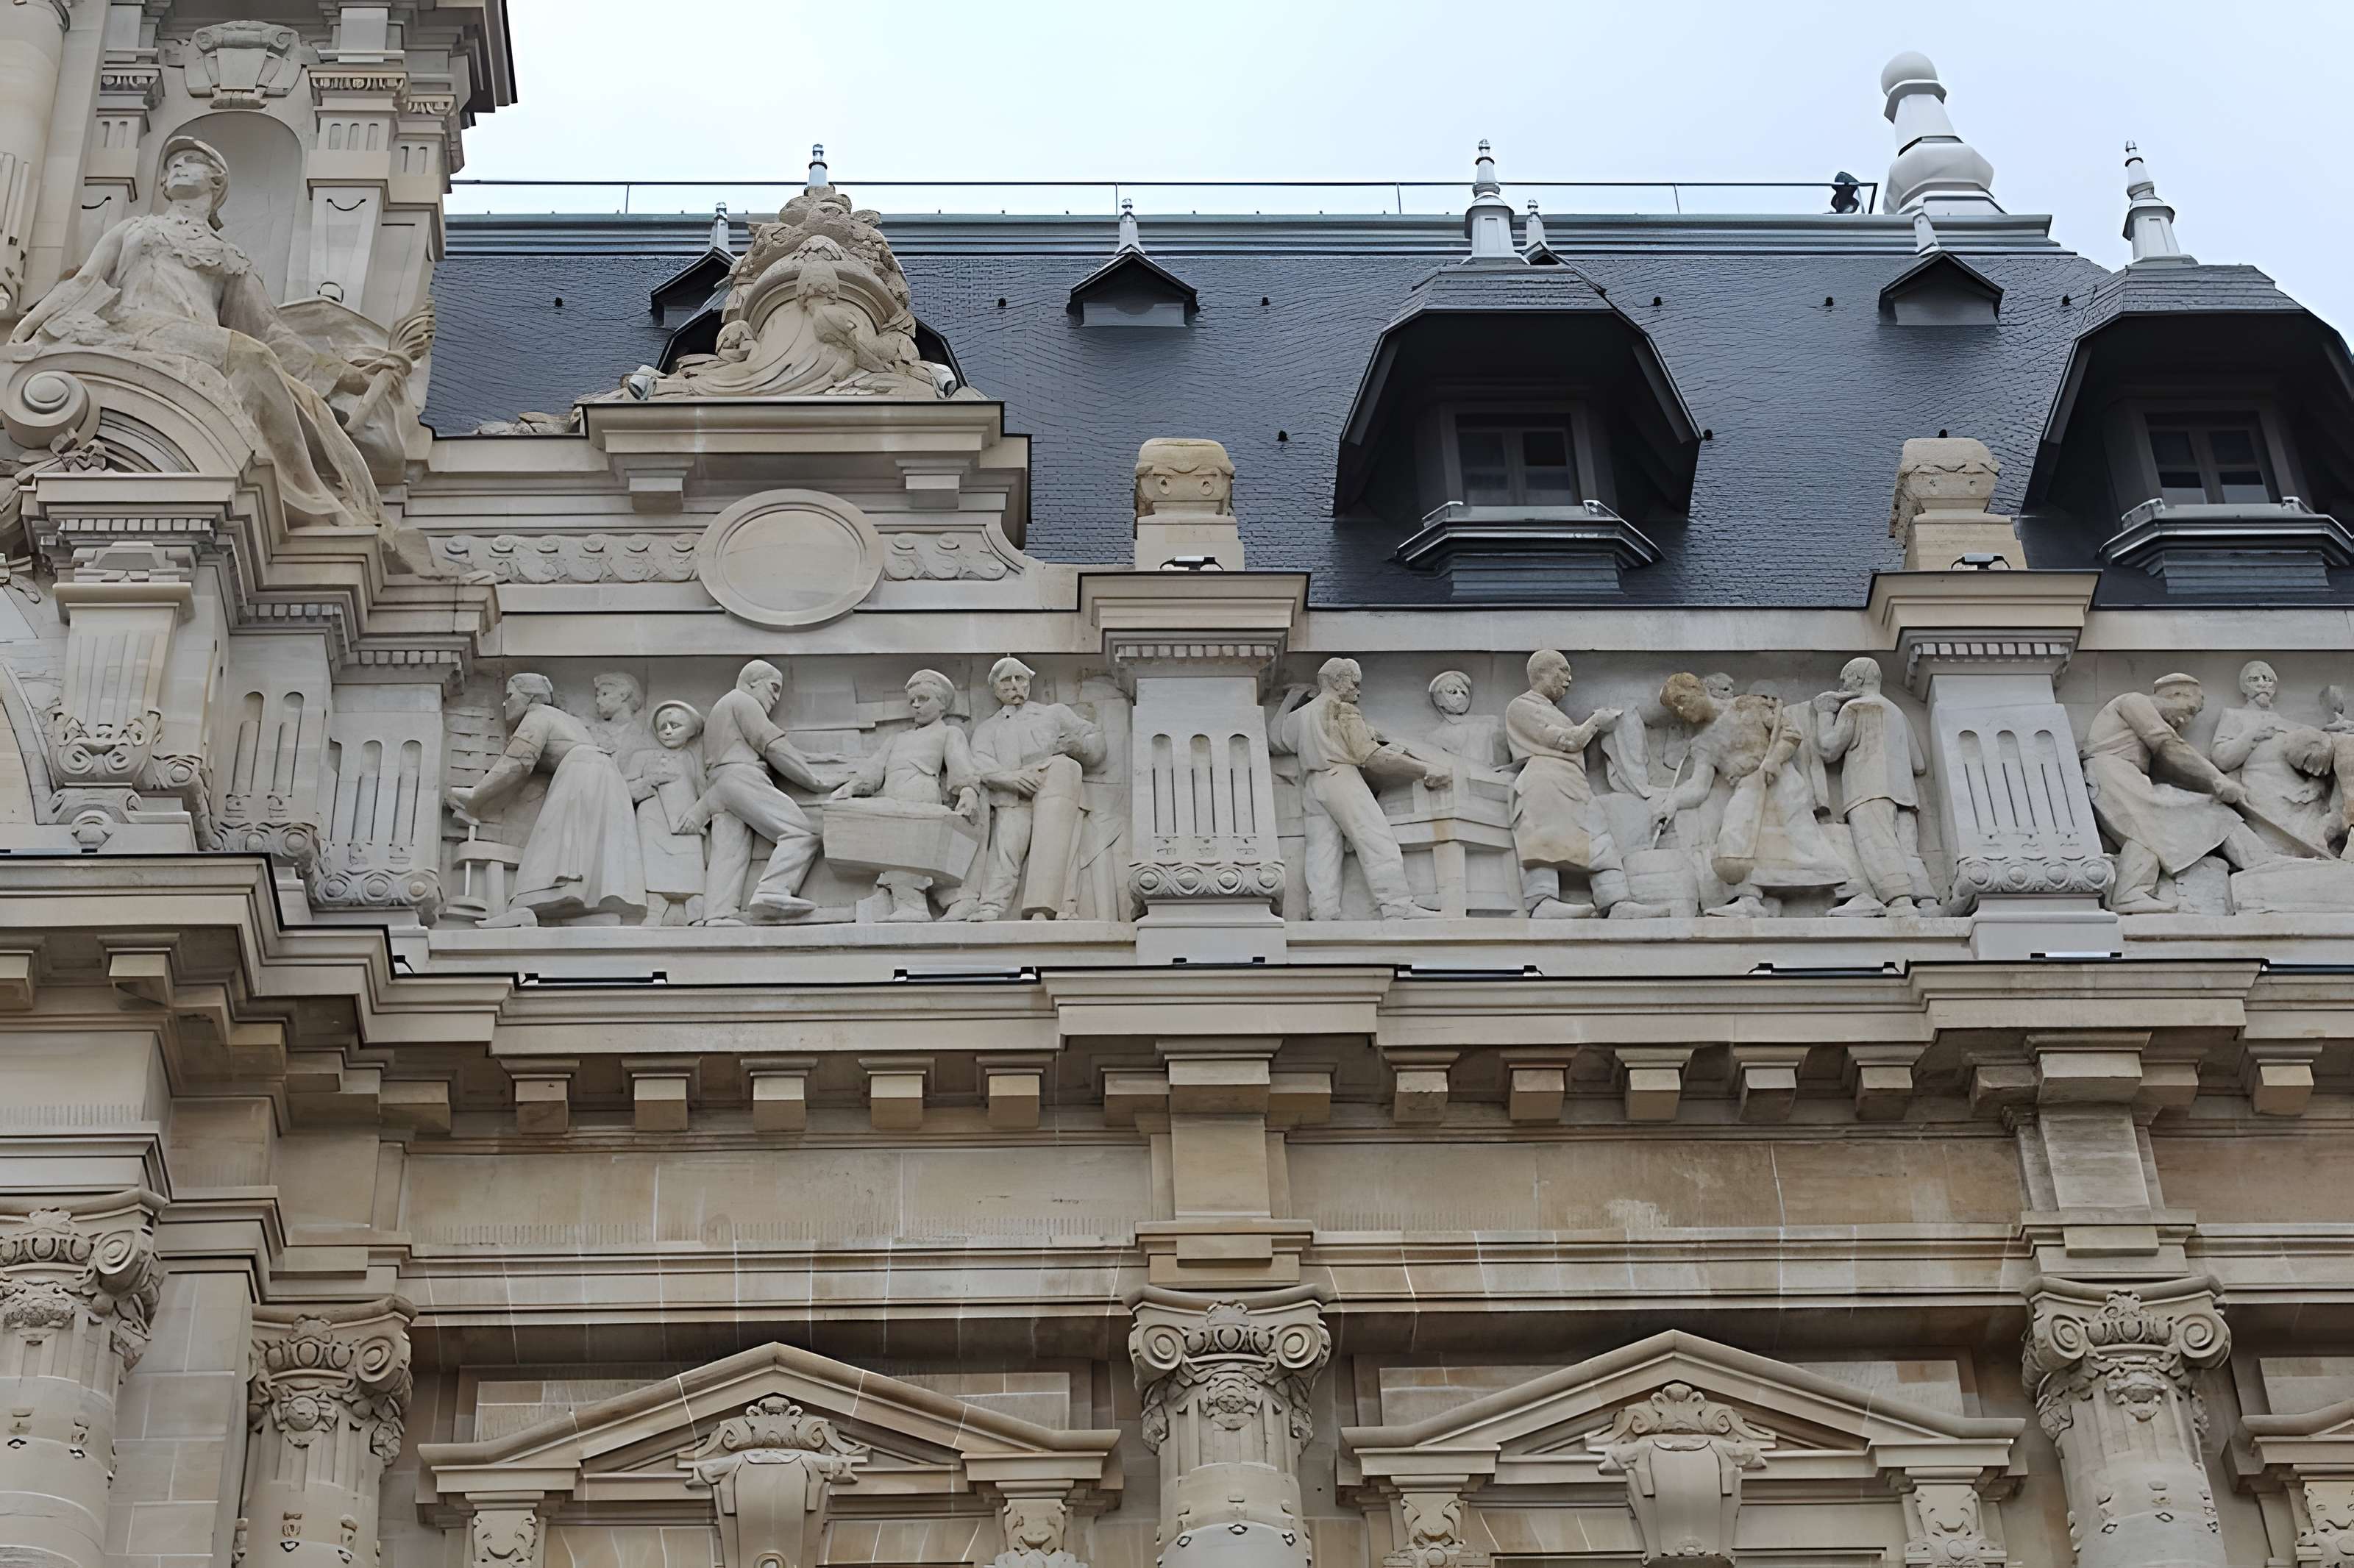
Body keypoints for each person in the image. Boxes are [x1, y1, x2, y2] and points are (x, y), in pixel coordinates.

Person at [11, 138, 414, 535]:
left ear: (216, 180)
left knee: (261, 362)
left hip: (195, 341)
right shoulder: (136, 228)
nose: (177, 168)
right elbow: (84, 282)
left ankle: (304, 489)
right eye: (172, 165)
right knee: (251, 357)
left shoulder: (230, 256)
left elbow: (269, 331)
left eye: (190, 160)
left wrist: (349, 376)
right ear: (164, 185)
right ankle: (312, 497)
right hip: (131, 328)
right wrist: (24, 333)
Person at [447, 674, 645, 927]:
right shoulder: (565, 720)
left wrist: (476, 794)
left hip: (581, 775)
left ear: (530, 697)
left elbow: (517, 763)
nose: (505, 703)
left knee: (553, 843)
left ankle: (526, 906)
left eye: (510, 695)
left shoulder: (538, 715)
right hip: (603, 778)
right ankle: (589, 913)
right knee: (585, 858)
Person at [1653, 673, 1851, 917]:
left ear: (1697, 689)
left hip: (1779, 781)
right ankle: (1750, 899)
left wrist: (1775, 759)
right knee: (1733, 837)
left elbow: (1790, 733)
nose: (1681, 710)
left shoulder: (1748, 705)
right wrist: (1672, 802)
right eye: (1675, 709)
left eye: (1682, 700)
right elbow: (1699, 787)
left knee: (1804, 838)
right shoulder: (1702, 742)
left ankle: (1850, 890)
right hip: (1747, 788)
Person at [2083, 674, 2277, 914]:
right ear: (2175, 695)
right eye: (2190, 709)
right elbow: (2171, 747)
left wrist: (2213, 786)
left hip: (2125, 776)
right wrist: (2218, 780)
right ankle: (2260, 861)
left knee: (2148, 830)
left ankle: (2128, 892)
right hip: (2112, 773)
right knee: (2158, 821)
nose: (2186, 720)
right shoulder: (2134, 701)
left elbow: (2175, 768)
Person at [1273, 658, 1447, 920]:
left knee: (1322, 850)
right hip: (1341, 778)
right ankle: (1397, 904)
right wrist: (1425, 769)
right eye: (1354, 683)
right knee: (1376, 838)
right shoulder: (1342, 710)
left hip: (1312, 785)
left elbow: (1276, 740)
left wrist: (1290, 701)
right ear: (1336, 681)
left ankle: (1323, 913)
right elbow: (1373, 757)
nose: (1358, 691)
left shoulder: (1301, 715)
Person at [1505, 651, 1665, 919]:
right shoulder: (1522, 706)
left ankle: (1615, 902)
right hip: (1544, 780)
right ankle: (1542, 903)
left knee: (1600, 841)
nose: (1569, 679)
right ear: (1542, 672)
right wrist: (1596, 722)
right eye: (1562, 670)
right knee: (1543, 840)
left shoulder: (1555, 712)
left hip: (1575, 783)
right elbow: (1567, 741)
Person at [676, 661, 824, 924]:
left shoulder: (722, 708)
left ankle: (718, 915)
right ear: (753, 682)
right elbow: (774, 746)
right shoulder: (743, 701)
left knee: (730, 852)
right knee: (801, 832)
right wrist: (814, 781)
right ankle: (773, 891)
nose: (776, 698)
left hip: (721, 787)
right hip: (742, 778)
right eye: (774, 688)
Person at [830, 669, 982, 922]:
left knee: (908, 850)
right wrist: (852, 787)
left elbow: (961, 766)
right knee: (895, 848)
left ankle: (914, 907)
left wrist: (968, 791)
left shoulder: (948, 733)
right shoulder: (896, 739)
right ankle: (915, 899)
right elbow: (874, 769)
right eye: (913, 700)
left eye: (924, 699)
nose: (916, 705)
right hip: (893, 797)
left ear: (942, 703)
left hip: (920, 794)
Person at [968, 658, 1105, 921]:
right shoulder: (988, 728)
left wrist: (1077, 746)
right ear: (995, 688)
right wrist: (1012, 779)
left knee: (1055, 845)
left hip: (1053, 788)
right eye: (1006, 680)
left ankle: (1051, 906)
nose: (1014, 685)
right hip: (1012, 797)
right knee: (1007, 849)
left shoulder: (1053, 713)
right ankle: (992, 906)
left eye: (1020, 678)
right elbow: (979, 765)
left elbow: (1095, 741)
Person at [1813, 656, 1931, 917]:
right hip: (1904, 793)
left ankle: (1899, 901)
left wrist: (1824, 712)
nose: (1843, 685)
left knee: (1876, 844)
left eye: (1845, 679)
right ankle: (1927, 901)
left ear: (1858, 679)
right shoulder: (1897, 712)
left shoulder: (1855, 708)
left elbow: (1828, 749)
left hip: (1868, 789)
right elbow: (1919, 765)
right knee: (1907, 849)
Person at [2209, 660, 2335, 852]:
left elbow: (2313, 749)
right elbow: (2221, 758)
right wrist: (2253, 736)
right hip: (2261, 786)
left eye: (2267, 679)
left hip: (2295, 786)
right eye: (2255, 679)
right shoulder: (2234, 716)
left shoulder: (2286, 723)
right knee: (2280, 838)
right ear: (2244, 686)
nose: (2262, 683)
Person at [625, 699, 707, 927]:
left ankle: (697, 912)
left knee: (691, 865)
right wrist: (649, 781)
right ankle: (653, 910)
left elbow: (705, 790)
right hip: (652, 820)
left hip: (686, 820)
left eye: (675, 726)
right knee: (652, 864)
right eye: (663, 727)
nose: (668, 731)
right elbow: (624, 789)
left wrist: (702, 817)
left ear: (690, 731)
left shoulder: (693, 758)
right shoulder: (642, 757)